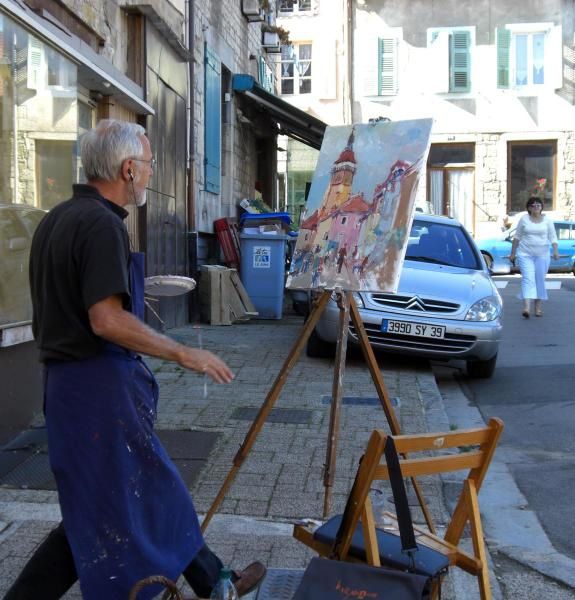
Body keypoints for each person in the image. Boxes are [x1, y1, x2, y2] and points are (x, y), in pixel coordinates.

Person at [4, 120, 266, 600]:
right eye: (147, 165)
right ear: (127, 169)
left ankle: (214, 582)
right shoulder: (103, 225)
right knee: (143, 495)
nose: (149, 175)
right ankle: (216, 584)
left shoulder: (55, 219)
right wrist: (183, 351)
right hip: (98, 390)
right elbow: (106, 320)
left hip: (68, 388)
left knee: (105, 506)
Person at [509, 196, 559, 318]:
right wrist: (513, 253)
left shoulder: (547, 220)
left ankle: (538, 308)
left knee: (539, 280)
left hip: (542, 255)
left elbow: (553, 237)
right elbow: (517, 236)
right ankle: (526, 308)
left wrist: (555, 251)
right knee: (528, 278)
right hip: (525, 254)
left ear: (542, 207)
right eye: (533, 205)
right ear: (528, 208)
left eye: (538, 205)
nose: (536, 207)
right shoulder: (524, 219)